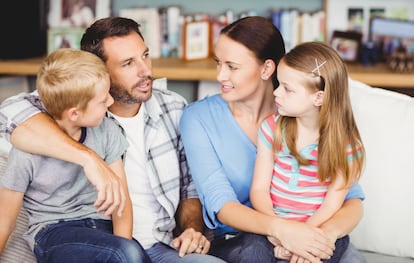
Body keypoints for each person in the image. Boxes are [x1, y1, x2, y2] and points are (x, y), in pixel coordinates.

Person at [0, 17, 224, 263]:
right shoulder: (71, 103)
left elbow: (188, 188)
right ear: (99, 71)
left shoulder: (173, 107)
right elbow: (10, 114)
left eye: (145, 55)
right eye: (128, 63)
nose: (146, 70)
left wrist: (193, 228)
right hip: (88, 242)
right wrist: (88, 159)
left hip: (158, 246)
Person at [179, 16, 366, 263]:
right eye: (218, 63)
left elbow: (351, 201)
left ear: (267, 69)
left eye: (232, 66)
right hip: (246, 241)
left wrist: (318, 238)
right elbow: (221, 205)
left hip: (315, 234)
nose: (220, 76)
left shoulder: (301, 112)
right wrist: (282, 232)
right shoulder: (197, 118)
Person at [0, 49, 150, 263]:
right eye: (102, 100)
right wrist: (124, 252)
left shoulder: (107, 131)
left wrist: (124, 246)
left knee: (129, 252)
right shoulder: (26, 150)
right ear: (74, 114)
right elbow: (4, 222)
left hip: (103, 230)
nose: (110, 102)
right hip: (54, 233)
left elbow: (121, 204)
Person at [250, 41, 365, 262]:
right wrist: (279, 233)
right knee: (251, 250)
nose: (276, 92)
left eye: (287, 88)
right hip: (274, 225)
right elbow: (259, 190)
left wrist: (305, 238)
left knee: (324, 252)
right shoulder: (271, 129)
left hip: (318, 228)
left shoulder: (347, 146)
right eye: (278, 84)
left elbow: (332, 205)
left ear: (319, 98)